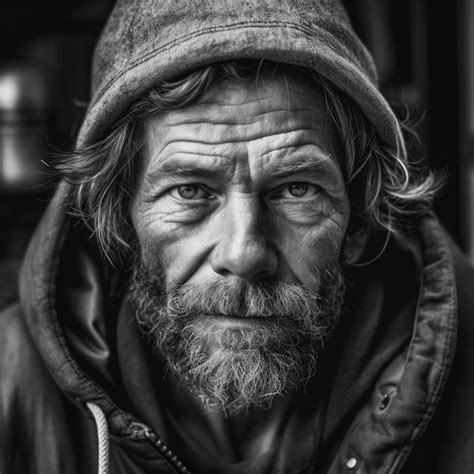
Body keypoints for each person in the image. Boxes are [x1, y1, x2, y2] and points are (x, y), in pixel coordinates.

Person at [1, 0, 473, 473]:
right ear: (120, 219)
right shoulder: (9, 384)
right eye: (190, 190)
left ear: (360, 218)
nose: (243, 252)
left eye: (296, 189)